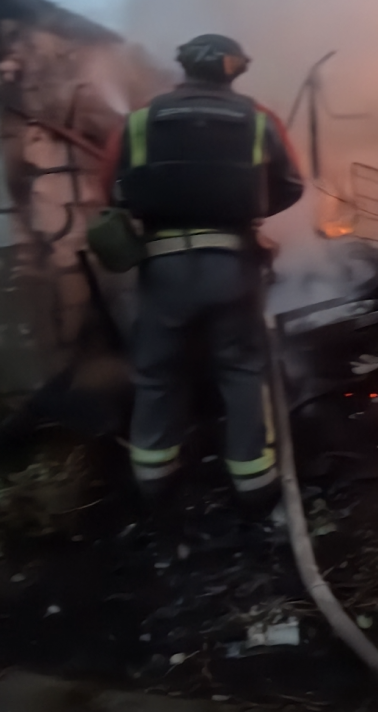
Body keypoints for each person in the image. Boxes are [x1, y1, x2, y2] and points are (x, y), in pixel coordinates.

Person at [99, 34, 304, 511]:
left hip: (163, 270)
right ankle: (253, 481)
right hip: (232, 266)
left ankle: (154, 478)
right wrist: (248, 210)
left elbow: (109, 188)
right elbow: (292, 184)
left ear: (184, 67)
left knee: (157, 373)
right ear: (235, 70)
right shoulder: (259, 119)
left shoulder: (139, 120)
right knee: (242, 369)